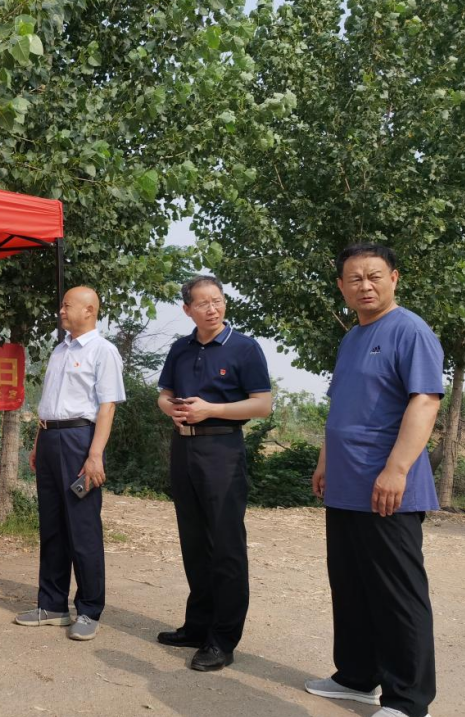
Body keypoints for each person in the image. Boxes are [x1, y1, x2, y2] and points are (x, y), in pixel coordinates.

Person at [305, 244, 442, 717]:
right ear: (341, 287)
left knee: (396, 593)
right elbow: (342, 405)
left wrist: (396, 469)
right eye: (354, 278)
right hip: (346, 485)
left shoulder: (410, 330)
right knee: (351, 586)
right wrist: (325, 460)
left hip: (388, 487)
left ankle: (408, 699)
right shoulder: (352, 338)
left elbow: (425, 401)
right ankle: (357, 676)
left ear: (394, 278)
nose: (365, 285)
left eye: (375, 276)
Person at [155, 275, 272, 671]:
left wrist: (211, 410)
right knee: (194, 541)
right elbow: (164, 394)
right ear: (187, 309)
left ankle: (223, 639)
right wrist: (170, 409)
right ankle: (198, 626)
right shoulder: (180, 348)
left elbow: (262, 405)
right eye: (203, 303)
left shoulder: (244, 348)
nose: (212, 308)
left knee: (225, 545)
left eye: (218, 300)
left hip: (222, 450)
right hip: (183, 448)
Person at [14, 286, 125, 641]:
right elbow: (49, 402)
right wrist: (38, 442)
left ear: (89, 310)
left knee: (83, 528)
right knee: (52, 526)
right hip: (50, 438)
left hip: (80, 441)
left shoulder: (103, 351)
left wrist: (95, 454)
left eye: (67, 305)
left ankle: (89, 609)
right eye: (61, 305)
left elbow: (107, 406)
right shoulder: (60, 350)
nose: (61, 310)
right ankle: (52, 605)